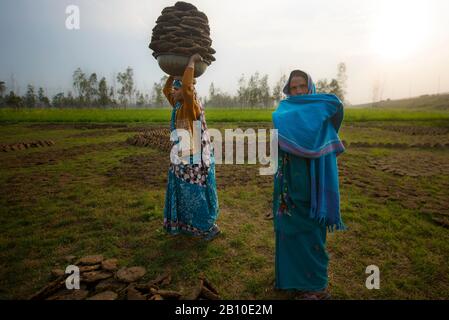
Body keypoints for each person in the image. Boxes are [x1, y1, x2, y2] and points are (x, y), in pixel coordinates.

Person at [272, 69, 346, 300]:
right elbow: (278, 146)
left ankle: (316, 287)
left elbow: (336, 111)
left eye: (302, 86)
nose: (297, 91)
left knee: (311, 234)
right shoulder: (283, 112)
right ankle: (292, 280)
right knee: (289, 233)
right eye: (293, 88)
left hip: (313, 184)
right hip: (288, 183)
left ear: (310, 87)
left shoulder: (320, 113)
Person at [162, 53, 220, 241]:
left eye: (177, 88)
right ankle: (189, 226)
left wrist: (191, 63)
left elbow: (187, 89)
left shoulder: (190, 105)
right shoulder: (177, 105)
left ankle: (205, 227)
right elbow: (165, 90)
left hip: (194, 159)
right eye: (175, 88)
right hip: (181, 156)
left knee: (196, 192)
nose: (173, 91)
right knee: (185, 192)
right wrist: (174, 73)